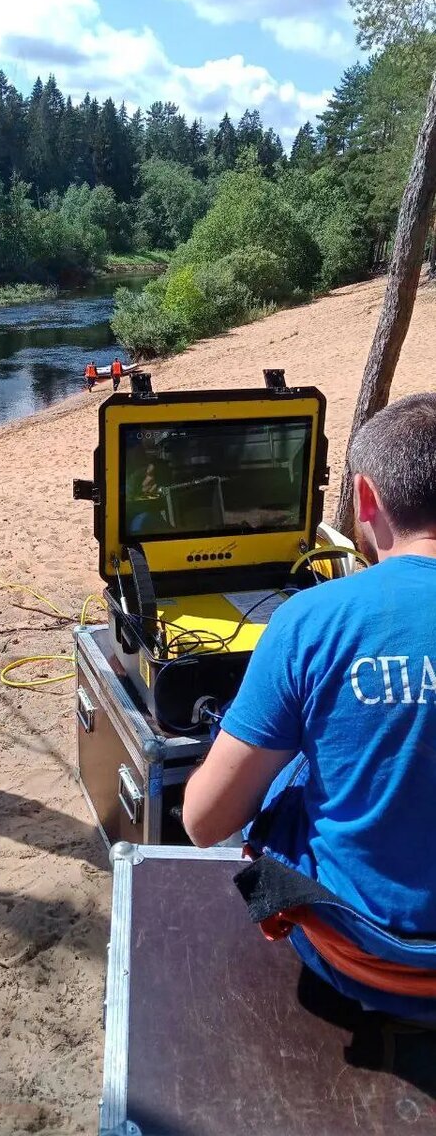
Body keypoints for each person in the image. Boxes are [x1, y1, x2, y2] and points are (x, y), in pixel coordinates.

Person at [183, 394, 436, 1022]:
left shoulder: (310, 621)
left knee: (292, 766)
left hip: (363, 959)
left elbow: (203, 822)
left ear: (367, 499)